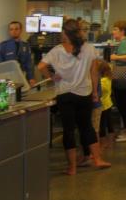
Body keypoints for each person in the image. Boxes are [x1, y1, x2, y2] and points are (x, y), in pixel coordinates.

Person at [37, 19, 111, 175]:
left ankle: (72, 167)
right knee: (87, 127)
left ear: (64, 32)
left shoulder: (57, 51)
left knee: (68, 130)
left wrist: (51, 76)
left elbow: (41, 66)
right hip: (84, 92)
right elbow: (93, 72)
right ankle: (97, 159)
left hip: (64, 94)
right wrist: (95, 93)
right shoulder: (89, 49)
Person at [0, 21, 35, 85]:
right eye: (11, 29)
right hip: (6, 78)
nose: (14, 31)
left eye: (16, 29)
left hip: (21, 76)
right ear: (9, 31)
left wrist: (31, 78)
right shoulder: (3, 46)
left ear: (20, 30)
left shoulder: (26, 46)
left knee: (21, 94)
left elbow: (28, 63)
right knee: (7, 94)